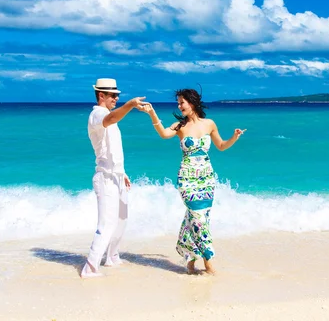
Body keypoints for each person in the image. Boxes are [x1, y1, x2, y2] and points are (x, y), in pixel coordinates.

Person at [139, 88, 245, 275]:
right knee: (197, 218)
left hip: (207, 179)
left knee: (197, 218)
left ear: (192, 102)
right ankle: (209, 263)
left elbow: (221, 146)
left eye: (182, 103)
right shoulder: (180, 126)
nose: (179, 106)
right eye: (178, 103)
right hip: (187, 179)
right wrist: (152, 113)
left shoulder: (209, 124)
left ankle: (189, 261)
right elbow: (164, 134)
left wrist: (234, 137)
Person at [80, 78, 146, 278]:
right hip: (105, 178)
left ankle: (112, 257)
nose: (116, 98)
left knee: (122, 220)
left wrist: (123, 172)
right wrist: (130, 105)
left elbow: (111, 149)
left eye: (118, 95)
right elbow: (110, 120)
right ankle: (90, 267)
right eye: (113, 95)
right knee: (106, 224)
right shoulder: (97, 114)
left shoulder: (108, 114)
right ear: (101, 95)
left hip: (116, 176)